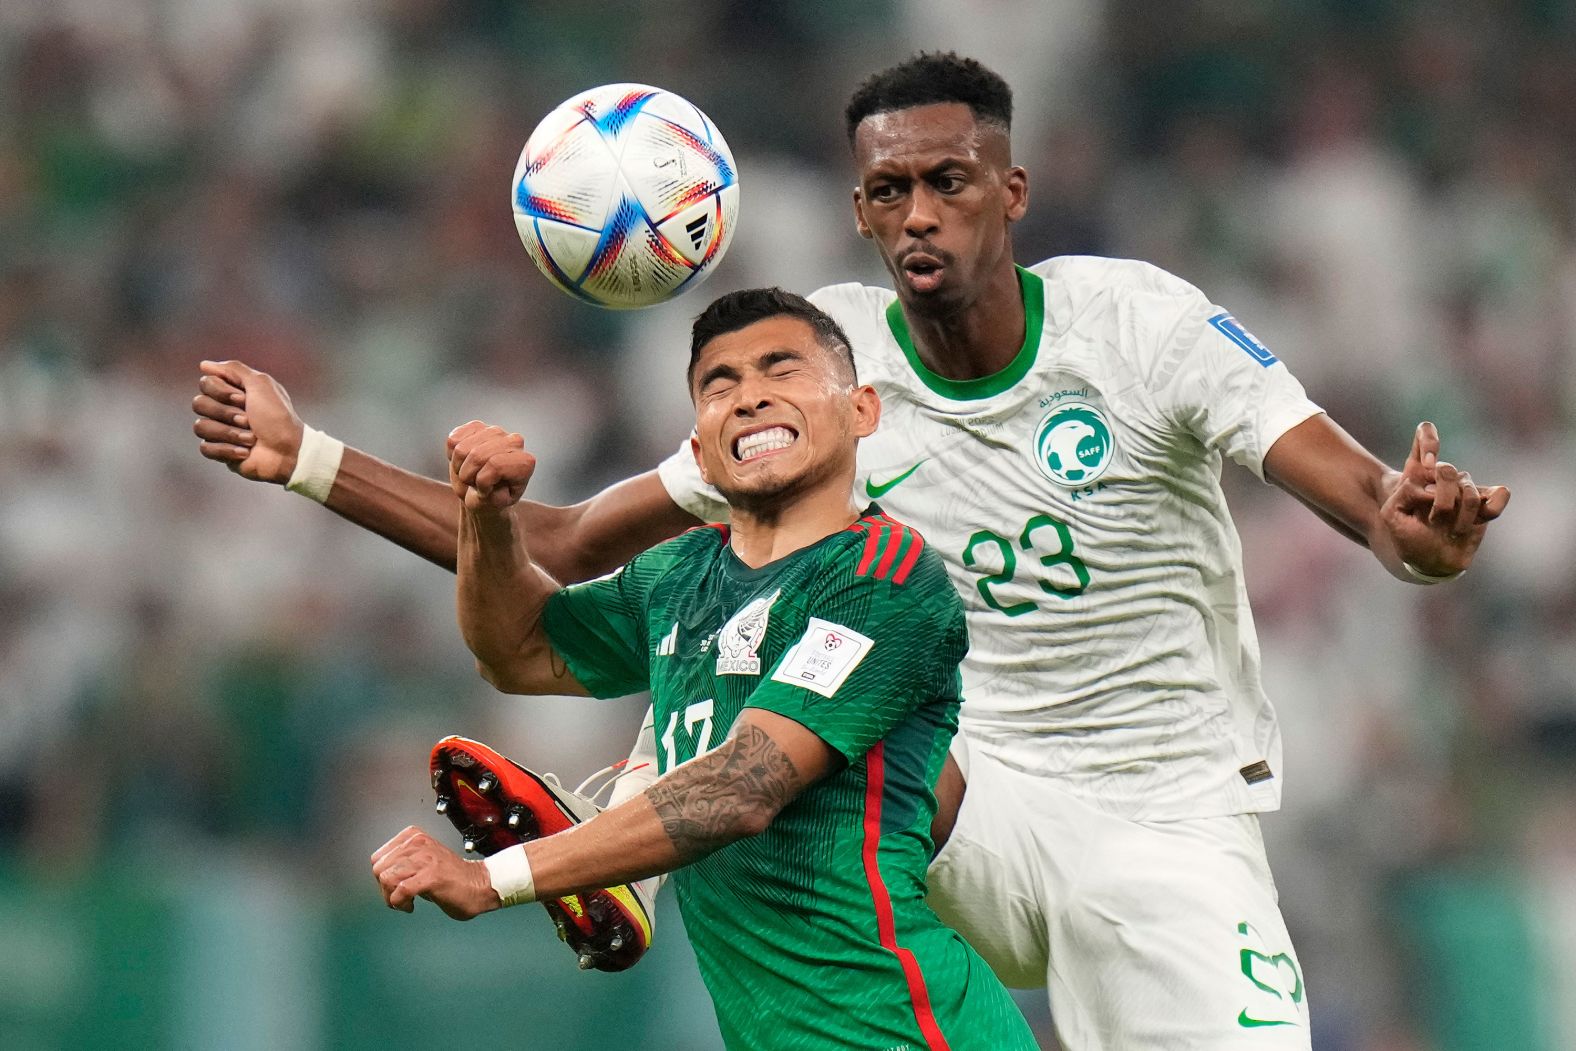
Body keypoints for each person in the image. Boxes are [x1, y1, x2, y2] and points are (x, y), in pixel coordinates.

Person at [196, 53, 1509, 1051]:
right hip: (960, 793)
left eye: (949, 180)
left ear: (1013, 190)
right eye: (890, 189)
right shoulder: (826, 363)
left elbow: (1366, 497)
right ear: (863, 211)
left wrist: (1420, 528)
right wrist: (310, 457)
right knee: (768, 645)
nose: (920, 212)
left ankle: (641, 799)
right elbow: (562, 543)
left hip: (1163, 815)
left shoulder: (1139, 327)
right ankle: (640, 802)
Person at [368, 287, 1038, 1051]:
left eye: (781, 369)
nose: (749, 395)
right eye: (719, 384)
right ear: (697, 446)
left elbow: (741, 787)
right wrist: (485, 518)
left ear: (862, 411)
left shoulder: (884, 577)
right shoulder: (679, 576)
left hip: (905, 1030)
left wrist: (494, 879)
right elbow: (516, 651)